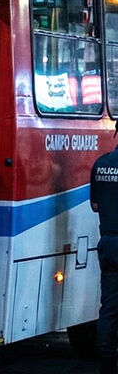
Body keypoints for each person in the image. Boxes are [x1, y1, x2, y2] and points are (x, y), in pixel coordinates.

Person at [91, 132, 118, 374]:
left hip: (108, 243)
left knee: (109, 308)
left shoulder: (101, 164)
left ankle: (106, 364)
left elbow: (95, 205)